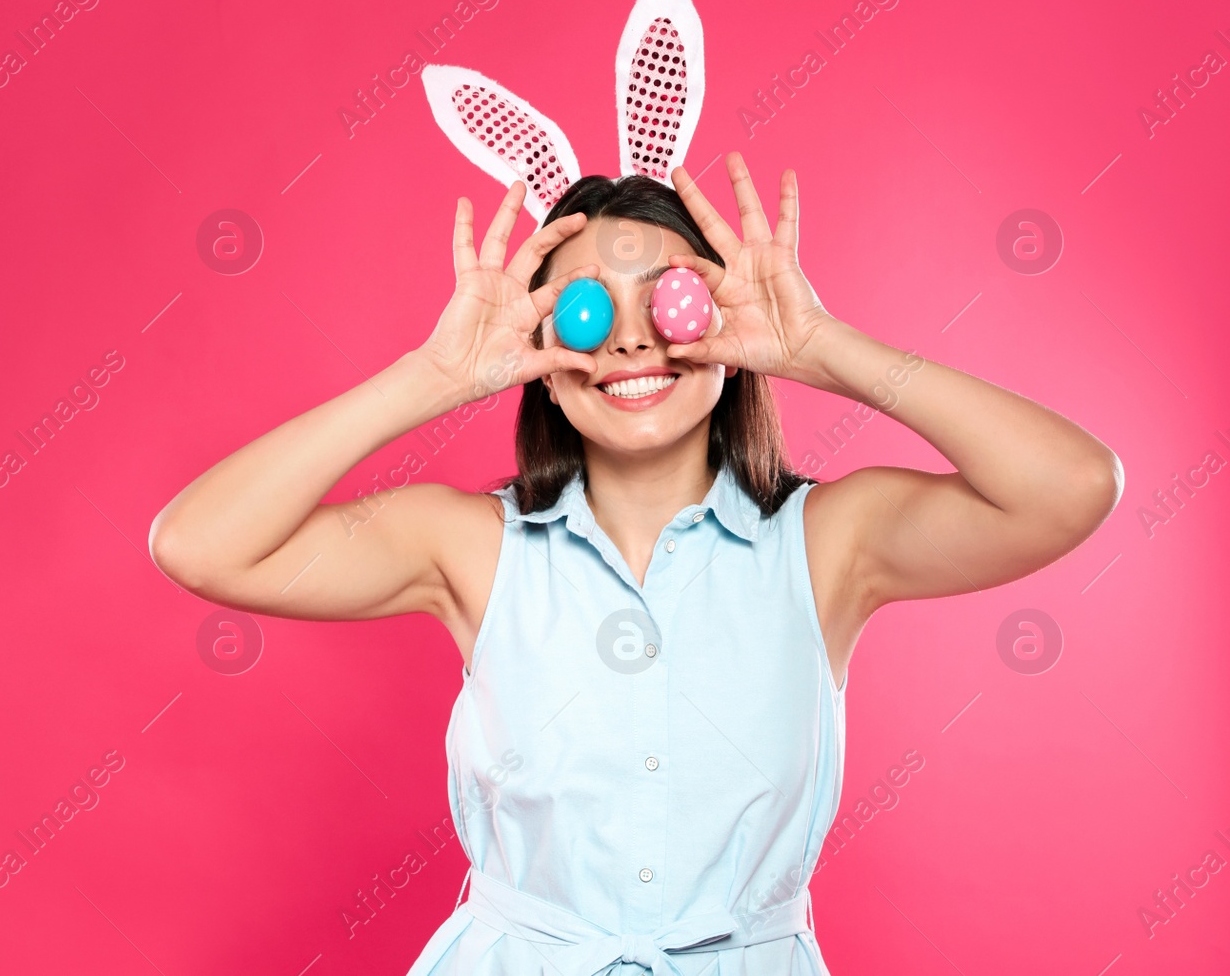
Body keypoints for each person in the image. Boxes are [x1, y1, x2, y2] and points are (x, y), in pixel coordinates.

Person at [148, 154, 1122, 974]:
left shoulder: (828, 541)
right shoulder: (470, 545)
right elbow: (201, 542)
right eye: (584, 309)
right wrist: (432, 377)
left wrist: (820, 346)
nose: (629, 337)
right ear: (538, 345)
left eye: (671, 297)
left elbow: (1071, 484)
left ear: (727, 328)